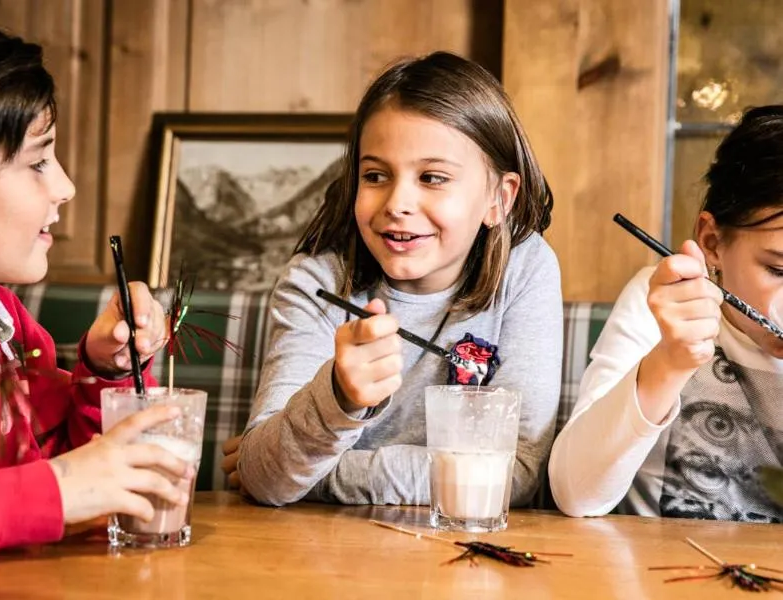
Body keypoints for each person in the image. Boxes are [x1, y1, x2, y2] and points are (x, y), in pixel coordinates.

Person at [0, 18, 193, 563]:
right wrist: (58, 488)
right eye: (37, 162)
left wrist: (107, 374)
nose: (66, 188)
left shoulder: (5, 328)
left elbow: (74, 477)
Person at [221, 51, 562, 506]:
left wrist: (317, 476)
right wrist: (338, 397)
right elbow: (265, 478)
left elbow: (514, 474)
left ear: (499, 199)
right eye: (376, 175)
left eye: (433, 177)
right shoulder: (319, 280)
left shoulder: (524, 271)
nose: (398, 202)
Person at [549, 105, 783, 522]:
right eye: (778, 269)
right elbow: (576, 493)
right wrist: (669, 362)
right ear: (712, 242)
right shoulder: (661, 302)